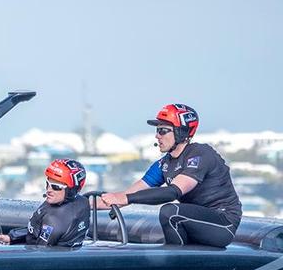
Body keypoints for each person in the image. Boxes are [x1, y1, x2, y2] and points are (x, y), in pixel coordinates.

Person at [100, 103, 242, 247]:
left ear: (181, 132)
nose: (157, 136)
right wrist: (85, 203)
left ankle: (178, 264)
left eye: (162, 131)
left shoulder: (200, 154)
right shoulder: (164, 164)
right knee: (171, 213)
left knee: (170, 212)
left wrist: (125, 198)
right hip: (194, 221)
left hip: (223, 223)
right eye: (157, 130)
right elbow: (126, 195)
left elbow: (173, 192)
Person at [0, 159, 90, 247]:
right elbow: (36, 231)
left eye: (56, 186)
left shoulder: (54, 222)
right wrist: (12, 238)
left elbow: (39, 255)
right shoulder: (82, 202)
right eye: (48, 184)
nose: (49, 190)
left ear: (71, 190)